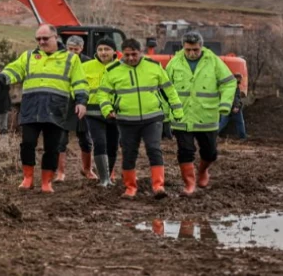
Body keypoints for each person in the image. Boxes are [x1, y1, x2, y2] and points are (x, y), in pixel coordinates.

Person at [0, 24, 88, 193]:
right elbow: (13, 71)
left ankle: (47, 182)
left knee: (52, 147)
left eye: (45, 38)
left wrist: (81, 101)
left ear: (55, 38)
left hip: (56, 108)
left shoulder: (70, 59)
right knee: (27, 143)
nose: (41, 41)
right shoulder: (29, 56)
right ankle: (28, 178)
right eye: (38, 39)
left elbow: (80, 82)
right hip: (31, 107)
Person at [98, 38, 184, 199]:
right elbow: (102, 93)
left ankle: (158, 186)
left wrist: (177, 110)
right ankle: (130, 188)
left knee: (154, 149)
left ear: (141, 52)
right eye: (127, 55)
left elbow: (169, 90)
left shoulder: (154, 66)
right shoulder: (112, 70)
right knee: (129, 153)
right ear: (121, 54)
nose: (130, 58)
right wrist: (107, 109)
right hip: (126, 119)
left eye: (134, 54)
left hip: (152, 117)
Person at [166, 31, 237, 196]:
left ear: (201, 47)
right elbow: (164, 88)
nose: (191, 53)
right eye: (188, 50)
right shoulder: (174, 63)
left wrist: (225, 105)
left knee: (210, 152)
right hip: (181, 116)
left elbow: (229, 82)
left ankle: (203, 171)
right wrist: (166, 112)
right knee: (185, 151)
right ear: (183, 47)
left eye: (195, 50)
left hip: (207, 116)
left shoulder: (213, 61)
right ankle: (189, 185)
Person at [55, 35, 96, 181]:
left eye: (76, 49)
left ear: (81, 48)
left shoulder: (89, 63)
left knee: (86, 139)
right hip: (64, 104)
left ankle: (87, 170)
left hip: (83, 104)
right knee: (61, 140)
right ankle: (60, 172)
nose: (72, 52)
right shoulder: (59, 61)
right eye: (70, 49)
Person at [81, 37, 120, 187]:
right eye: (100, 49)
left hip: (114, 113)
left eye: (107, 49)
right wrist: (80, 102)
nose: (103, 53)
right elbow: (78, 87)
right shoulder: (86, 67)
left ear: (114, 51)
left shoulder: (121, 67)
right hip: (93, 112)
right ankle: (103, 178)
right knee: (99, 142)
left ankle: (109, 176)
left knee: (112, 145)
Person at [218, 73, 247, 139]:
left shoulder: (227, 85)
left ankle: (213, 134)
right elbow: (235, 97)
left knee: (222, 123)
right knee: (240, 123)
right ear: (237, 78)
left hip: (226, 106)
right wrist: (236, 106)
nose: (241, 80)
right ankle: (242, 137)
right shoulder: (234, 86)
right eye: (240, 78)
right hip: (234, 107)